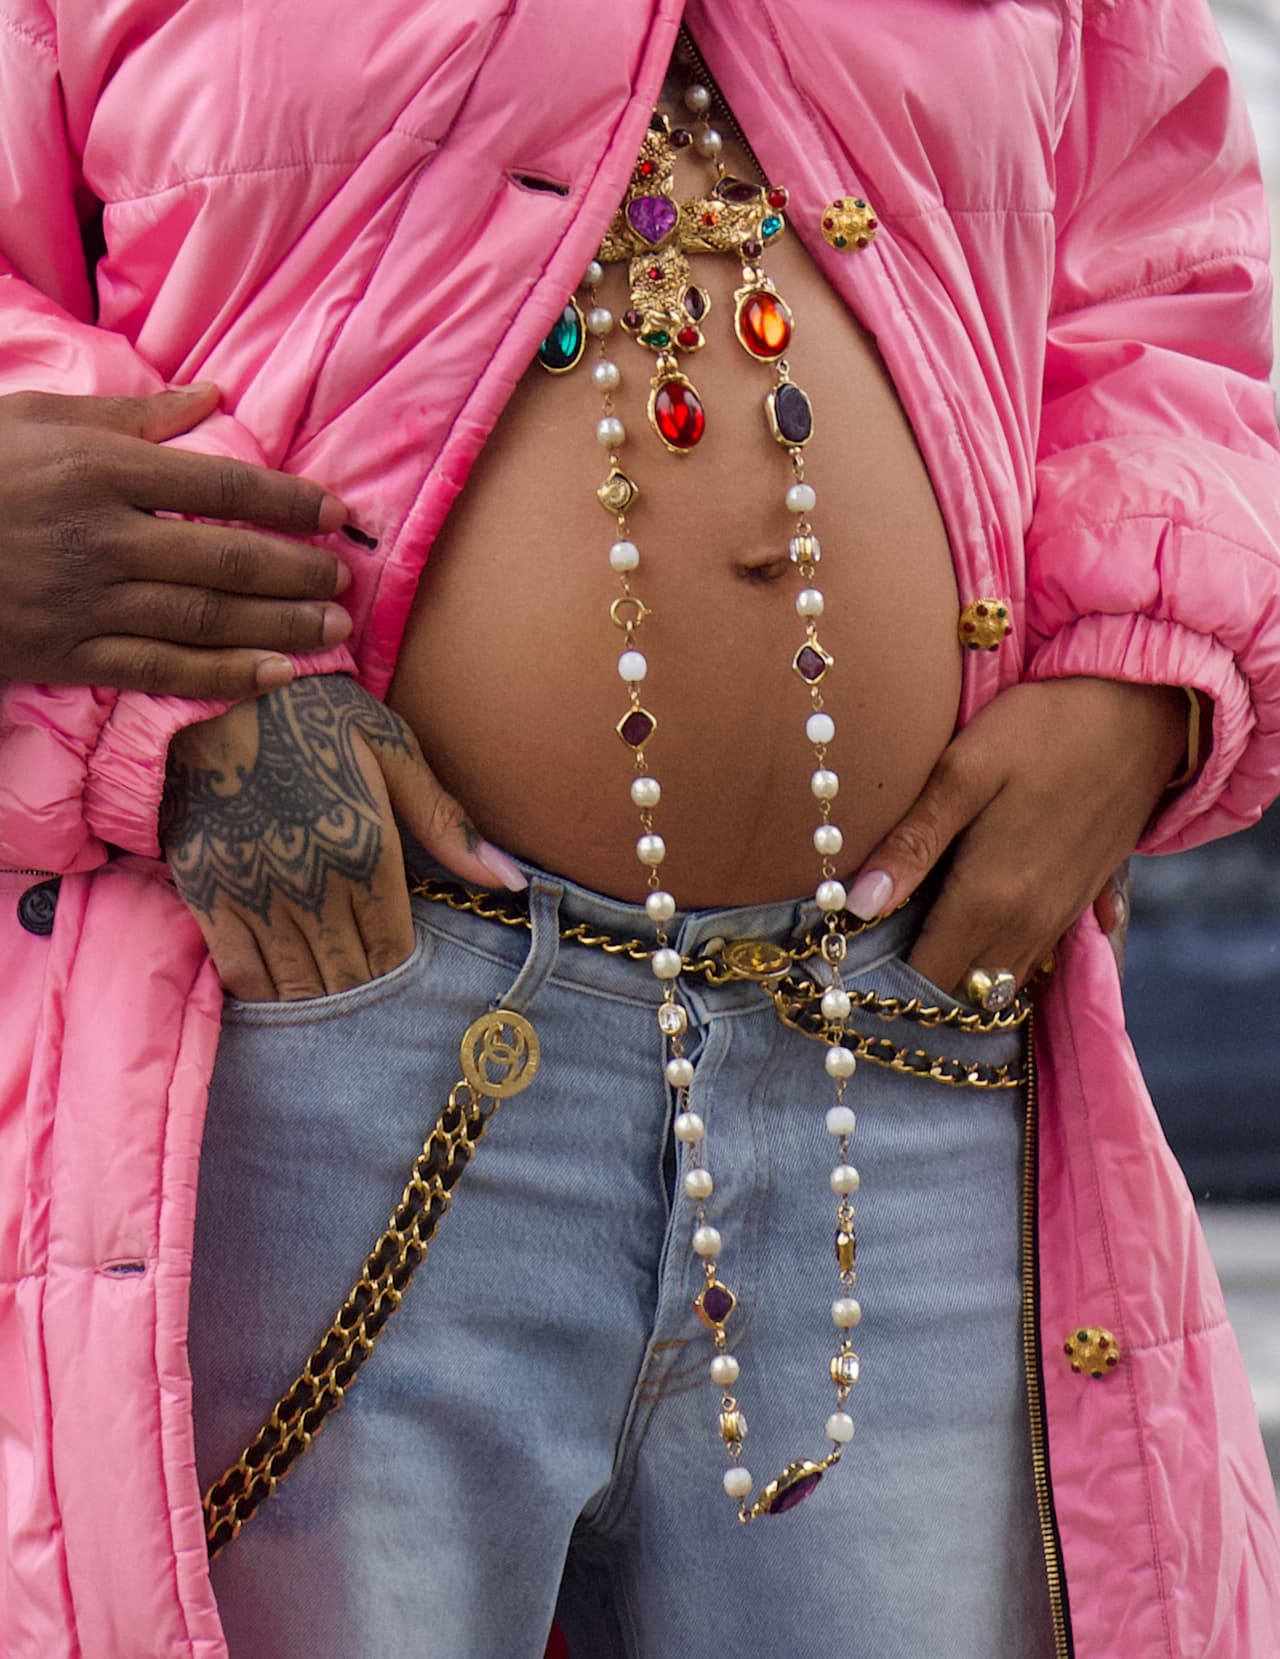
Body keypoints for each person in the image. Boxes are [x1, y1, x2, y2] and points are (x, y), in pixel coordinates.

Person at [1, 2, 1278, 1656]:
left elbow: (1167, 274)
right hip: (323, 1016)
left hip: (907, 1044)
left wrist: (1146, 674)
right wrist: (161, 699)